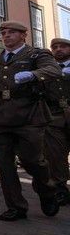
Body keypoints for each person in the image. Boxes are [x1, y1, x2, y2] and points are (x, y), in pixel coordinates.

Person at [0, 21, 61, 221]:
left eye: (12, 32)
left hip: (29, 115)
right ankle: (16, 206)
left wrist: (33, 74)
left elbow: (54, 71)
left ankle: (47, 190)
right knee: (4, 164)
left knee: (32, 160)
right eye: (3, 33)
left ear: (24, 35)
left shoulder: (36, 54)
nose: (6, 36)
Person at [44, 38, 70, 206]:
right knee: (56, 155)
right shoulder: (46, 69)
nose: (58, 49)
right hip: (55, 117)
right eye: (55, 47)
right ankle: (61, 188)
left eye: (63, 46)